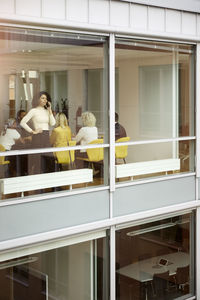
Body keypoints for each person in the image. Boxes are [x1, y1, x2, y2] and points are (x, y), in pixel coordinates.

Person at [20, 91, 56, 174]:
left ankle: (50, 184)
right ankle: (38, 184)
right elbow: (22, 122)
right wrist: (32, 131)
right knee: (38, 161)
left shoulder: (47, 111)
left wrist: (50, 110)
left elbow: (53, 123)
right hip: (38, 137)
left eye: (46, 99)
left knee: (49, 160)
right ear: (38, 100)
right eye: (42, 98)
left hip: (46, 137)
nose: (45, 100)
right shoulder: (33, 111)